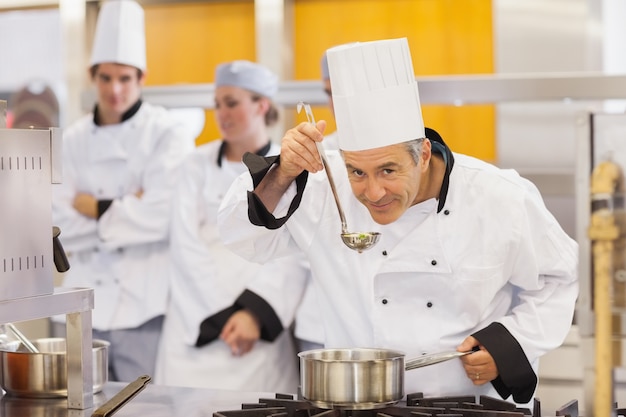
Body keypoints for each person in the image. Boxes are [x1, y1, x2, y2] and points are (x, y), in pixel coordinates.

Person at [217, 38, 578, 405]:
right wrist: (281, 174)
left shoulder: (498, 196)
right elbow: (240, 236)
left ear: (422, 154)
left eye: (388, 170)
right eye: (357, 171)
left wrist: (507, 344)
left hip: (470, 404)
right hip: (358, 404)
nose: (373, 192)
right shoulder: (325, 187)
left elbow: (559, 278)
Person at [51, 0, 194, 382]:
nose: (115, 89)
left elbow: (163, 217)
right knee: (72, 402)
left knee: (144, 406)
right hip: (79, 302)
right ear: (91, 76)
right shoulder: (71, 140)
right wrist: (130, 206)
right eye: (106, 78)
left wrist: (93, 207)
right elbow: (55, 223)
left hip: (144, 306)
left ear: (142, 77)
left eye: (125, 78)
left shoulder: (167, 132)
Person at [154, 60, 307, 393]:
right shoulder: (194, 165)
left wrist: (253, 312)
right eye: (218, 104)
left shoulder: (292, 166)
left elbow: (297, 249)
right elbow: (185, 246)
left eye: (232, 103)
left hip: (258, 329)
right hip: (195, 322)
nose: (222, 113)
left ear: (261, 105)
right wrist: (222, 314)